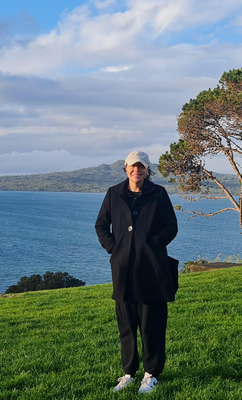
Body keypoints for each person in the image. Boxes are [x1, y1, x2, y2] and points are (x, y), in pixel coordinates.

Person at [95, 150, 179, 394]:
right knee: (127, 325)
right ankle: (128, 373)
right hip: (123, 270)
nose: (137, 171)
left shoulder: (158, 193)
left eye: (141, 167)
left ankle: (151, 374)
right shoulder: (114, 193)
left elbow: (170, 226)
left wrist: (151, 244)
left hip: (152, 269)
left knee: (152, 324)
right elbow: (101, 225)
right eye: (133, 167)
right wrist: (115, 248)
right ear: (126, 168)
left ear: (147, 170)